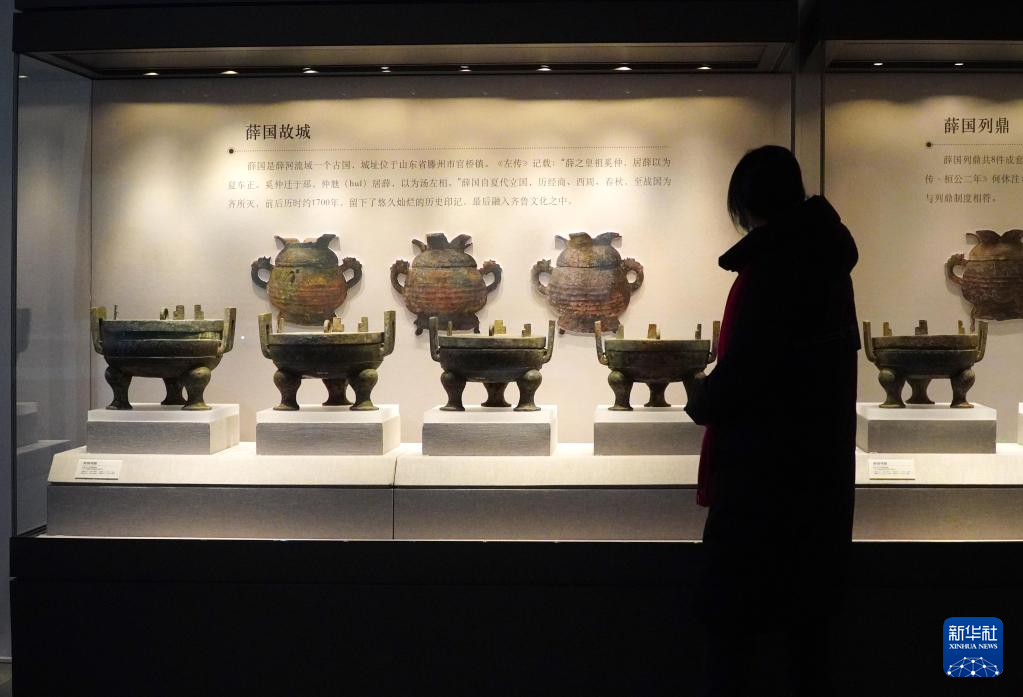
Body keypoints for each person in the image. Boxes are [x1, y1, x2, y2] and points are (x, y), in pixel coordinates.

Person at [683, 145, 859, 696]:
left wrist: (699, 393)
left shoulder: (774, 270)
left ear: (744, 205)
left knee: (734, 638)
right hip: (817, 475)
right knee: (806, 643)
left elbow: (745, 374)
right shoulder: (825, 261)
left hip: (762, 479)